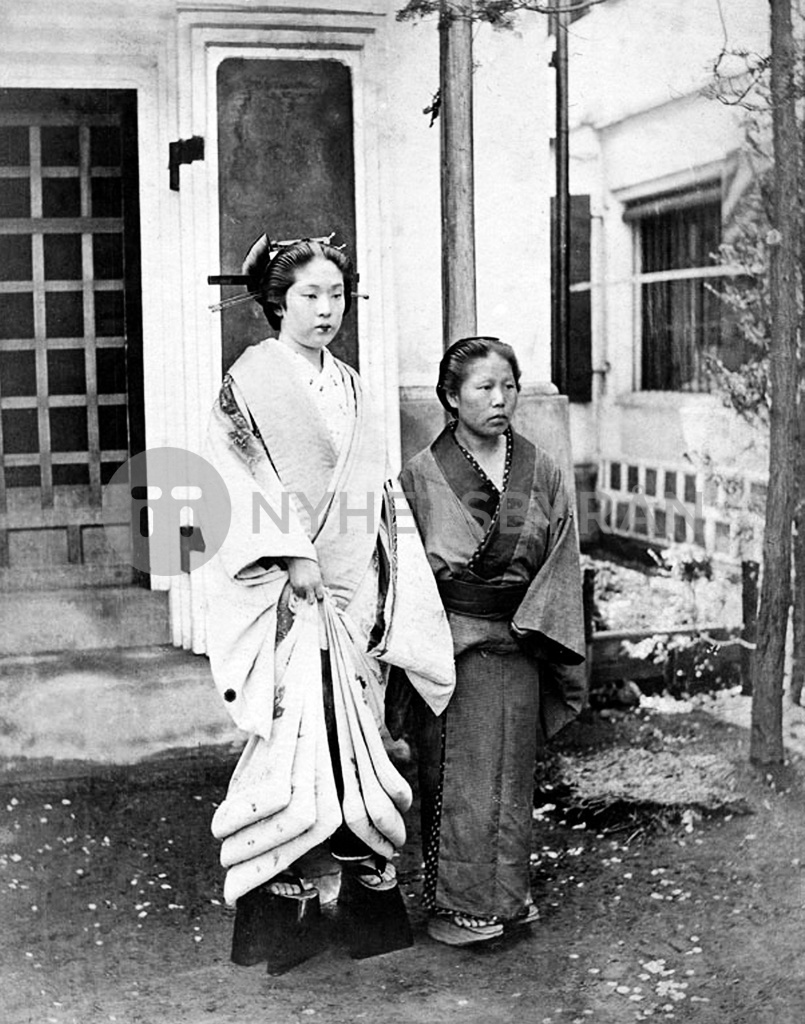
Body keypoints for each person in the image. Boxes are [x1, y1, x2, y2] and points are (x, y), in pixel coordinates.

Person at [202, 234, 455, 972]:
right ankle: (277, 886)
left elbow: (374, 488)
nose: (325, 309)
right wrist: (293, 555)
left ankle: (363, 873)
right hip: (282, 587)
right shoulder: (249, 381)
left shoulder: (351, 385)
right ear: (277, 302)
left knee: (356, 727)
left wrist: (370, 568)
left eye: (336, 295)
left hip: (351, 584)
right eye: (309, 295)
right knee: (292, 728)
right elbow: (237, 477)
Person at [398, 336, 587, 946]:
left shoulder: (540, 469)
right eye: (484, 387)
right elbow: (406, 573)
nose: (500, 398)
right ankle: (457, 904)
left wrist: (531, 627)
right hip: (454, 646)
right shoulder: (421, 474)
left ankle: (508, 896)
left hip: (523, 636)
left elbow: (561, 554)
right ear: (451, 397)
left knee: (512, 777)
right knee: (461, 777)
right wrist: (432, 642)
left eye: (509, 386)